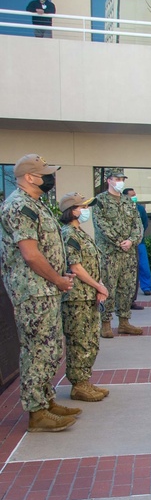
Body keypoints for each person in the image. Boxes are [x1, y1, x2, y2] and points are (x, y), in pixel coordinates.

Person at [0, 154, 80, 432]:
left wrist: (59, 276)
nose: (49, 177)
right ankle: (36, 413)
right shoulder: (19, 207)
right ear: (30, 177)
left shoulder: (35, 205)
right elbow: (31, 255)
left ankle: (46, 400)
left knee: (51, 348)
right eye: (44, 173)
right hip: (33, 291)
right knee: (37, 350)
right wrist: (58, 280)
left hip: (44, 288)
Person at [59, 193, 109, 403]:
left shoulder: (80, 233)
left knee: (89, 341)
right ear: (72, 210)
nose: (86, 210)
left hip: (87, 295)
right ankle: (78, 384)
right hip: (76, 297)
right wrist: (98, 285)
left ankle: (84, 381)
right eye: (82, 207)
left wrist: (98, 287)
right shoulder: (69, 233)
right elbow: (75, 267)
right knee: (79, 341)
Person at [92, 170, 144, 338]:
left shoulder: (128, 202)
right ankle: (105, 324)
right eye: (117, 179)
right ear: (109, 181)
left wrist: (131, 241)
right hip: (109, 253)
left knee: (127, 288)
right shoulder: (100, 201)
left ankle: (124, 322)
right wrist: (119, 241)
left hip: (128, 253)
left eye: (122, 179)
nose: (120, 182)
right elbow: (101, 225)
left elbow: (138, 225)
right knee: (108, 287)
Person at [126, 188, 151, 303]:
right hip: (125, 243)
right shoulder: (121, 208)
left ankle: (146, 287)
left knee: (143, 265)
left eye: (135, 195)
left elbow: (145, 224)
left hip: (139, 242)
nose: (134, 197)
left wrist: (136, 237)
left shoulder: (140, 209)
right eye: (132, 195)